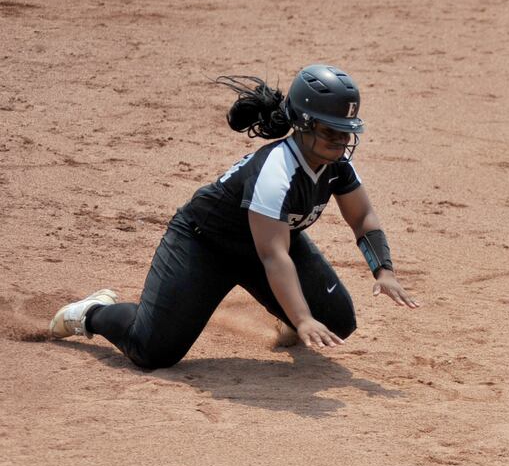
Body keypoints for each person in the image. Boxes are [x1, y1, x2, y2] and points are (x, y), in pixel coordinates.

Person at [48, 64, 418, 368]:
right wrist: (302, 317)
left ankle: (288, 310)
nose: (339, 142)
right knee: (152, 351)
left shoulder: (337, 166)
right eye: (329, 132)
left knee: (337, 322)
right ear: (303, 124)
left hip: (268, 247)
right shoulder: (277, 170)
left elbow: (363, 216)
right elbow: (273, 256)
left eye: (345, 133)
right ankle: (91, 312)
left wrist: (383, 270)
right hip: (204, 244)